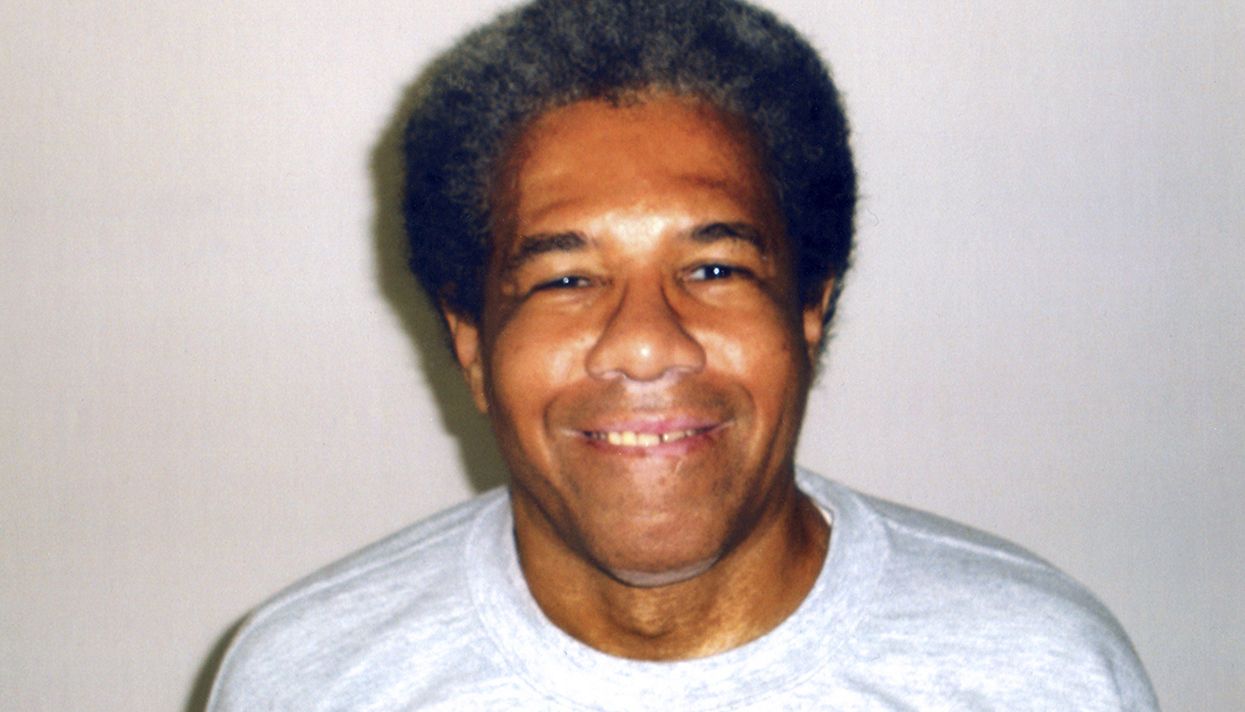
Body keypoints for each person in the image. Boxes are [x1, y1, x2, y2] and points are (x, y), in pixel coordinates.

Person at [208, 1, 1158, 709]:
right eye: (565, 279)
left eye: (712, 267)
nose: (644, 343)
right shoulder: (310, 679)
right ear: (470, 343)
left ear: (810, 308)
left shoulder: (1040, 673)